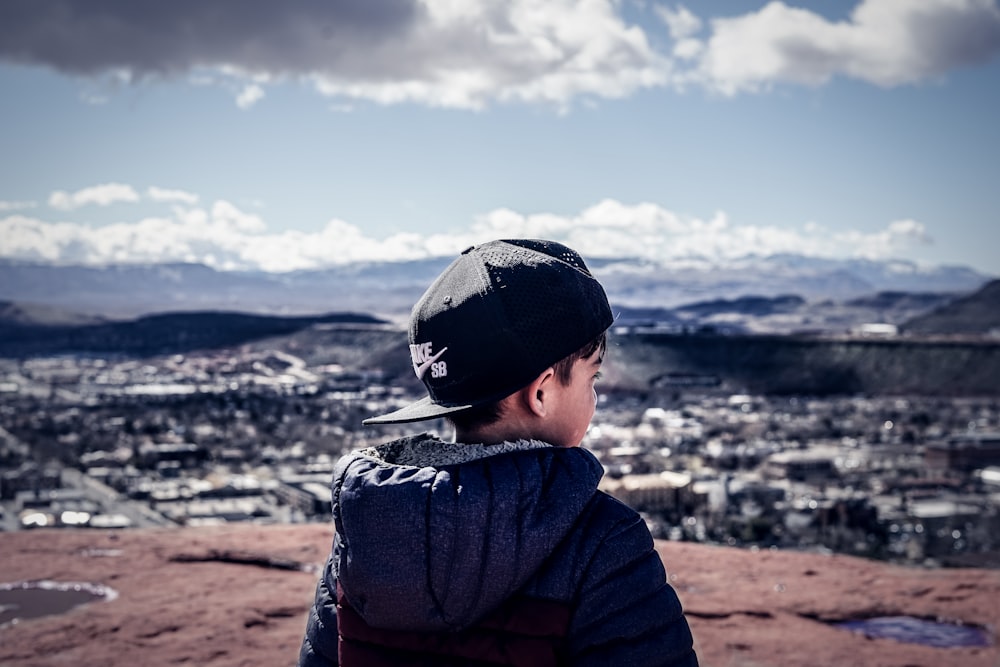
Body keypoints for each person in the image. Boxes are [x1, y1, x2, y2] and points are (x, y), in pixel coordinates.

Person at [298, 239, 698, 666]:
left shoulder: (370, 527)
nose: (595, 396)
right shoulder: (602, 540)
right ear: (541, 392)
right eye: (591, 378)